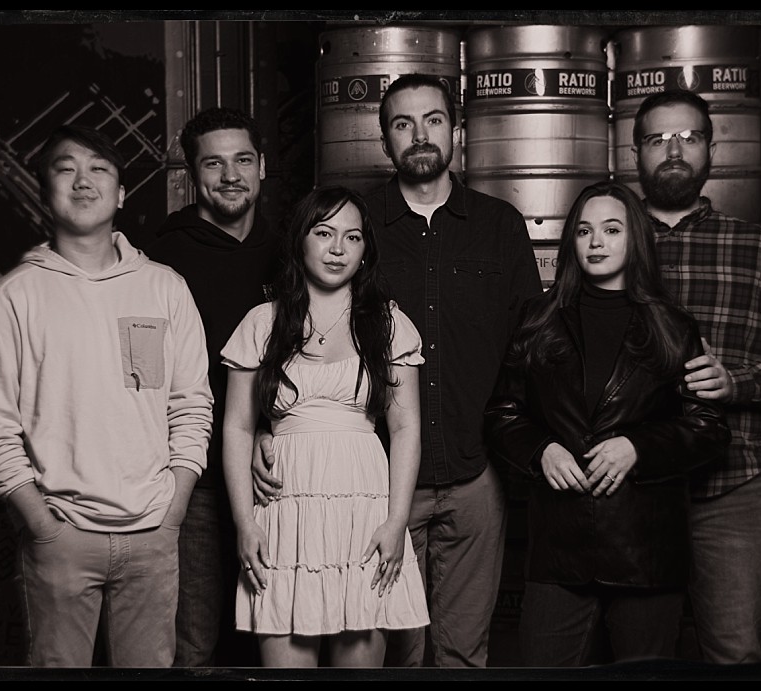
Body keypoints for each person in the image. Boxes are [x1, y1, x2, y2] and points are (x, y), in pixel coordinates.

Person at [261, 72, 544, 667]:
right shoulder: (357, 231)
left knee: (464, 653)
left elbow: (531, 350)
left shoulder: (500, 226)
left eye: (433, 120)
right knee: (393, 654)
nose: (420, 135)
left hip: (476, 475)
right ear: (384, 141)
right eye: (402, 123)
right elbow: (295, 335)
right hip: (376, 485)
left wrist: (523, 444)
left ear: (457, 131)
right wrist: (273, 430)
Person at [0, 125, 213, 667]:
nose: (83, 181)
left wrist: (171, 515)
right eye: (65, 168)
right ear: (43, 191)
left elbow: (191, 406)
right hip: (61, 535)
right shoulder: (17, 295)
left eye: (99, 168)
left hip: (153, 533)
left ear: (122, 194)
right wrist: (43, 528)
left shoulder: (164, 287)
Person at [484, 179, 731, 666]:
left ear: (633, 238)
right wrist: (541, 451)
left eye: (612, 229)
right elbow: (502, 412)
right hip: (558, 550)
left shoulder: (672, 326)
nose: (596, 242)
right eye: (584, 230)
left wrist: (638, 448)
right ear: (571, 242)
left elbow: (709, 428)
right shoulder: (538, 319)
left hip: (646, 552)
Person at [631, 89, 761, 664]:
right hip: (633, 486)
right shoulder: (611, 240)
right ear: (636, 151)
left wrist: (738, 382)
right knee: (635, 654)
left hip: (730, 484)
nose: (673, 150)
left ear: (712, 150)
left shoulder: (755, 244)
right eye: (658, 139)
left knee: (735, 650)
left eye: (689, 137)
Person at [221, 185, 429, 667]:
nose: (338, 248)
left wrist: (397, 522)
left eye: (352, 237)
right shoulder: (261, 323)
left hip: (366, 513)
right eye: (324, 232)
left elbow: (405, 429)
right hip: (284, 517)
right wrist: (244, 521)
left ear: (364, 251)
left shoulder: (389, 324)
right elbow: (235, 428)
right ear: (300, 241)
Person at [147, 106, 282, 667]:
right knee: (195, 640)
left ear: (262, 167)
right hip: (195, 477)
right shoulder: (161, 254)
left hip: (275, 474)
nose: (231, 175)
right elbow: (143, 374)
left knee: (275, 631)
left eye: (243, 160)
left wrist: (271, 434)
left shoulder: (292, 248)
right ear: (191, 174)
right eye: (214, 163)